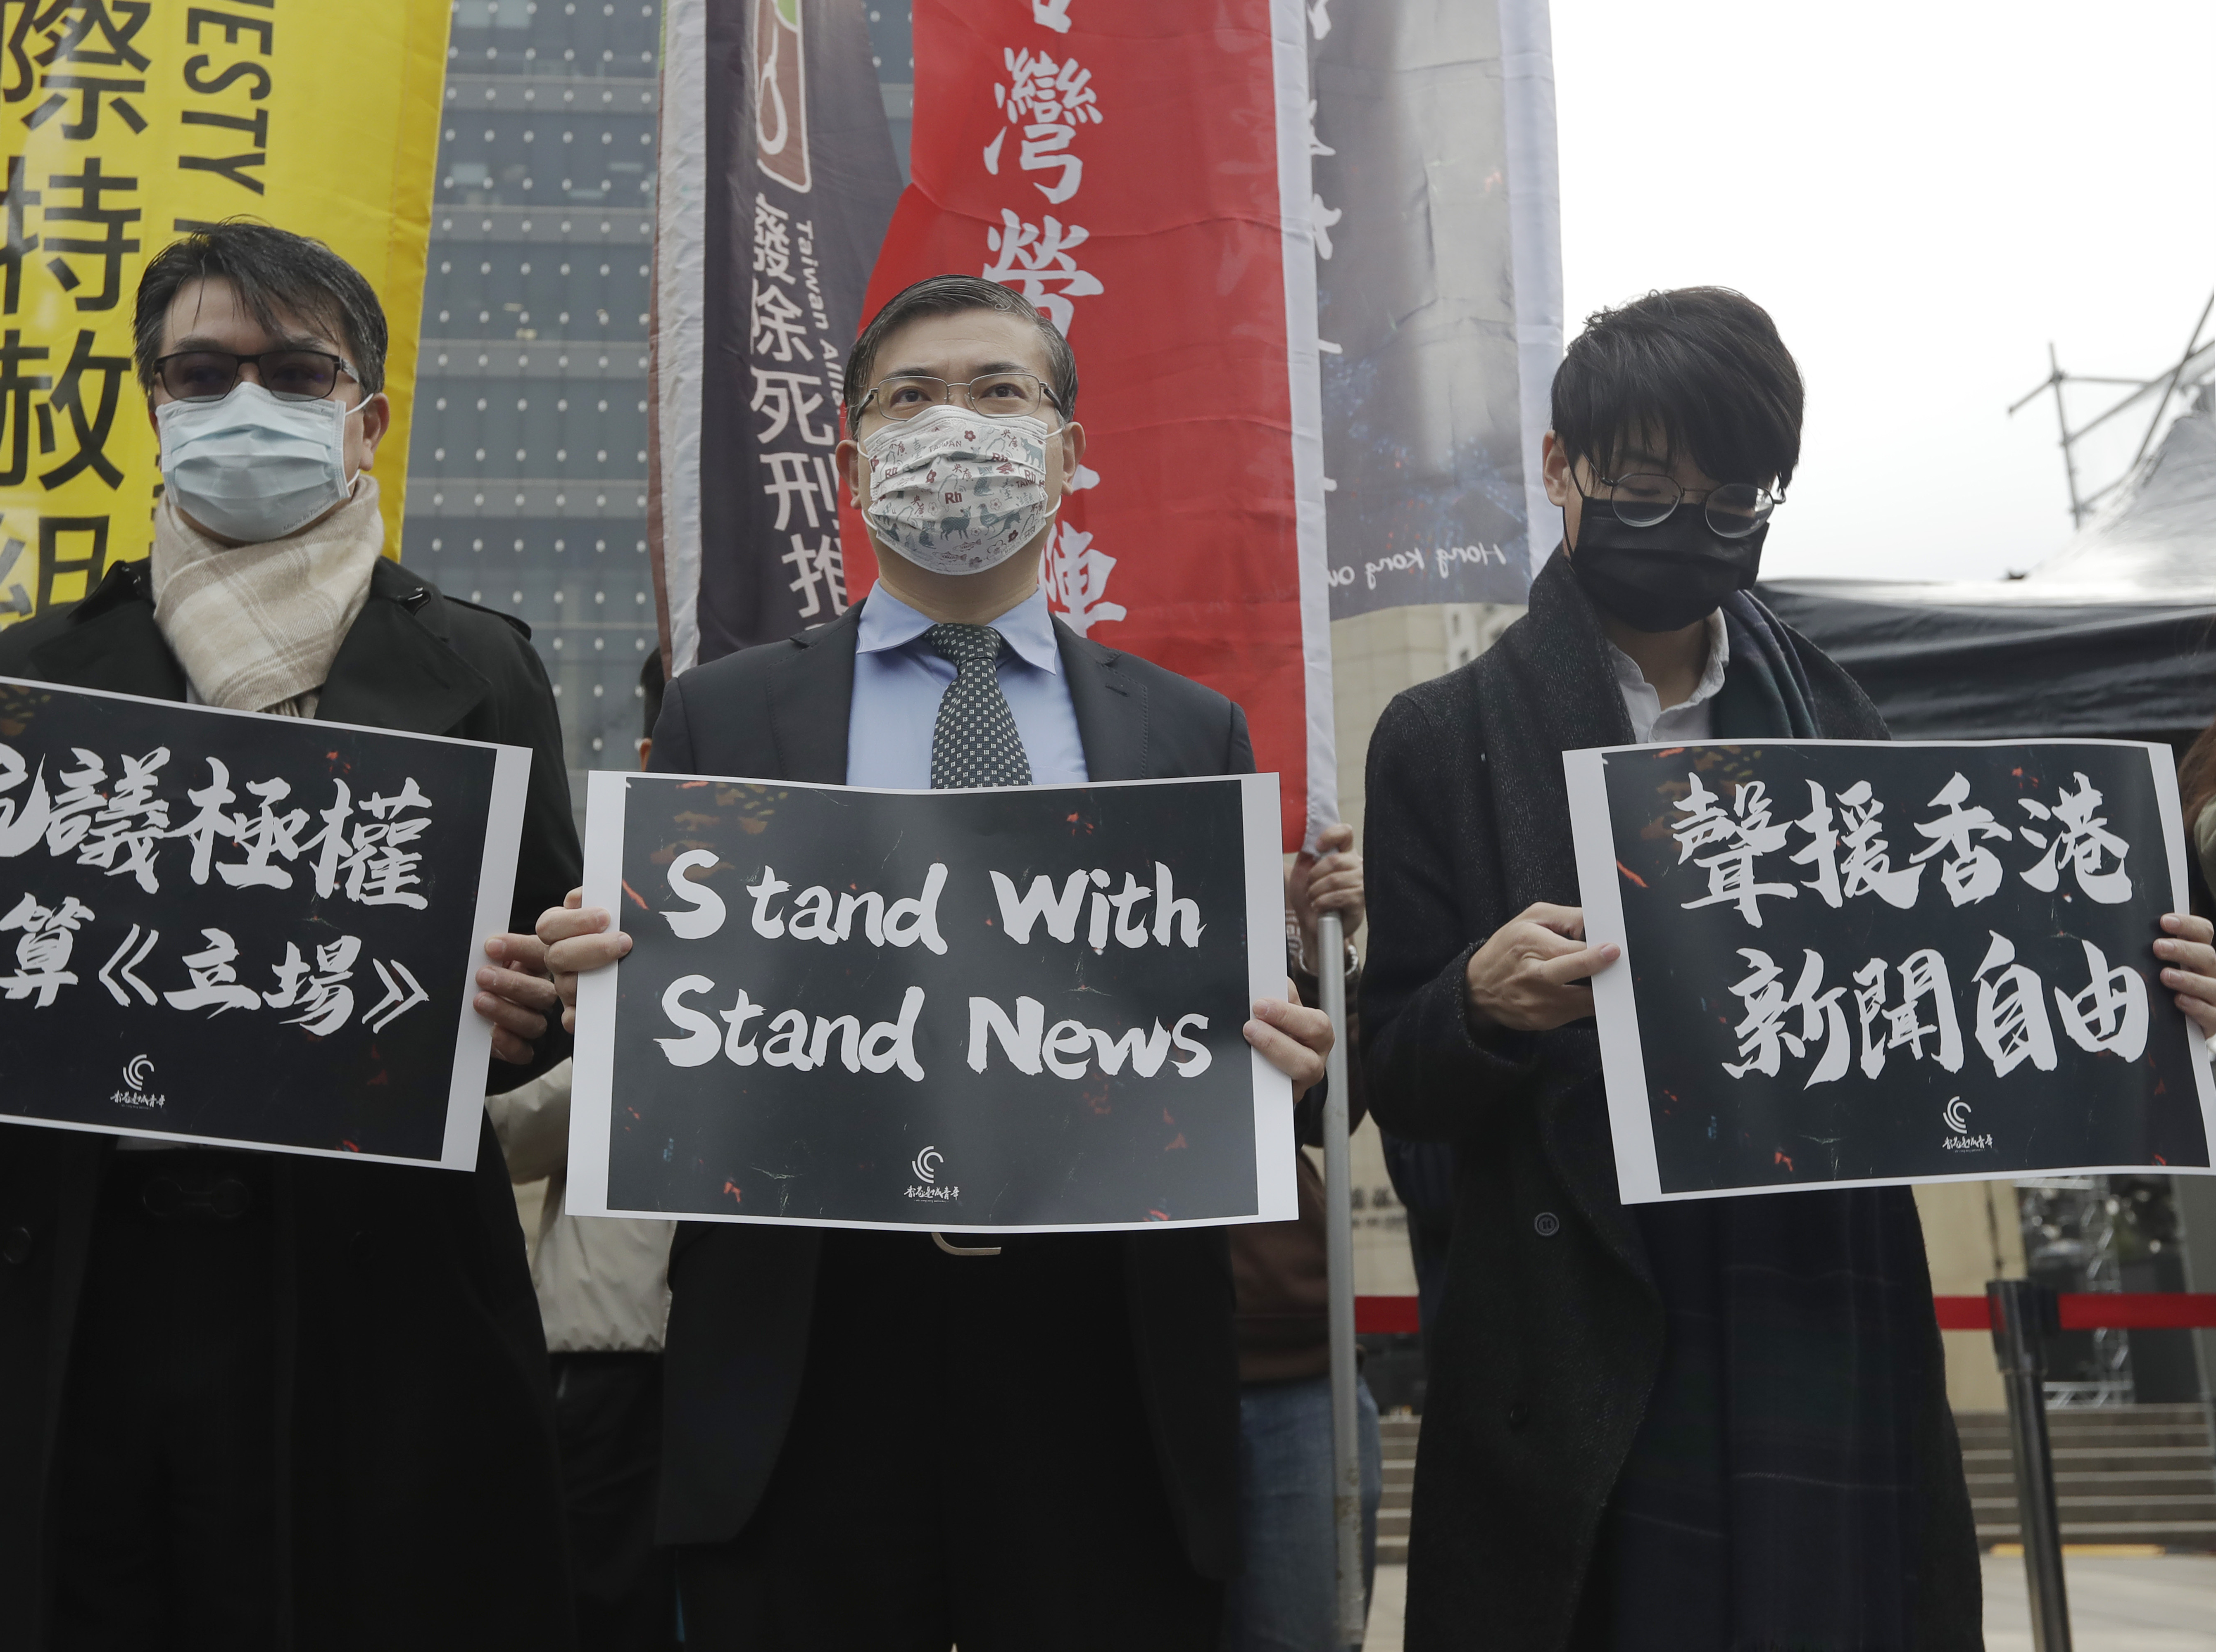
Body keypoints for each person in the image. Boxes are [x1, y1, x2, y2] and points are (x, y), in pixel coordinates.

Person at [1359, 285, 2216, 1651]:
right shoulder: (1441, 736)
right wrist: (1476, 1003)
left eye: (1731, 495)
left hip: (1823, 1287)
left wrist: (2148, 990)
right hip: (1588, 1309)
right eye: (1645, 484)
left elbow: (1969, 996)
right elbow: (1390, 1063)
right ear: (1560, 467)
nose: (1685, 521)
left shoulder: (1848, 722)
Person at [0, 222, 584, 1651]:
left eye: (293, 371)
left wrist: (533, 1005)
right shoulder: (26, 675)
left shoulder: (481, 668)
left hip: (369, 1299)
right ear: (153, 405)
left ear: (367, 414)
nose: (245, 406)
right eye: (202, 374)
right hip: (69, 1288)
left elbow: (540, 1008)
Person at [540, 273, 1335, 1651]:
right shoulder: (729, 711)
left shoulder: (1189, 732)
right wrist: (592, 982)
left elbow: (1245, 1040)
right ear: (853, 461)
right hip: (812, 1350)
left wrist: (1301, 1059)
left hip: (1103, 1359)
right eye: (909, 398)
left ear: (1069, 454)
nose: (952, 424)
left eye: (998, 392)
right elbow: (673, 1017)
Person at [488, 647, 677, 1652]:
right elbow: (510, 1130)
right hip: (608, 1350)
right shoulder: (599, 915)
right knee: (602, 1608)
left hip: (776, 1355)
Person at [1224, 820, 1382, 1651]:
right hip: (1098, 1355)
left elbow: (1333, 1110)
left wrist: (1323, 955)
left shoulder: (1264, 935)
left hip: (1287, 1362)